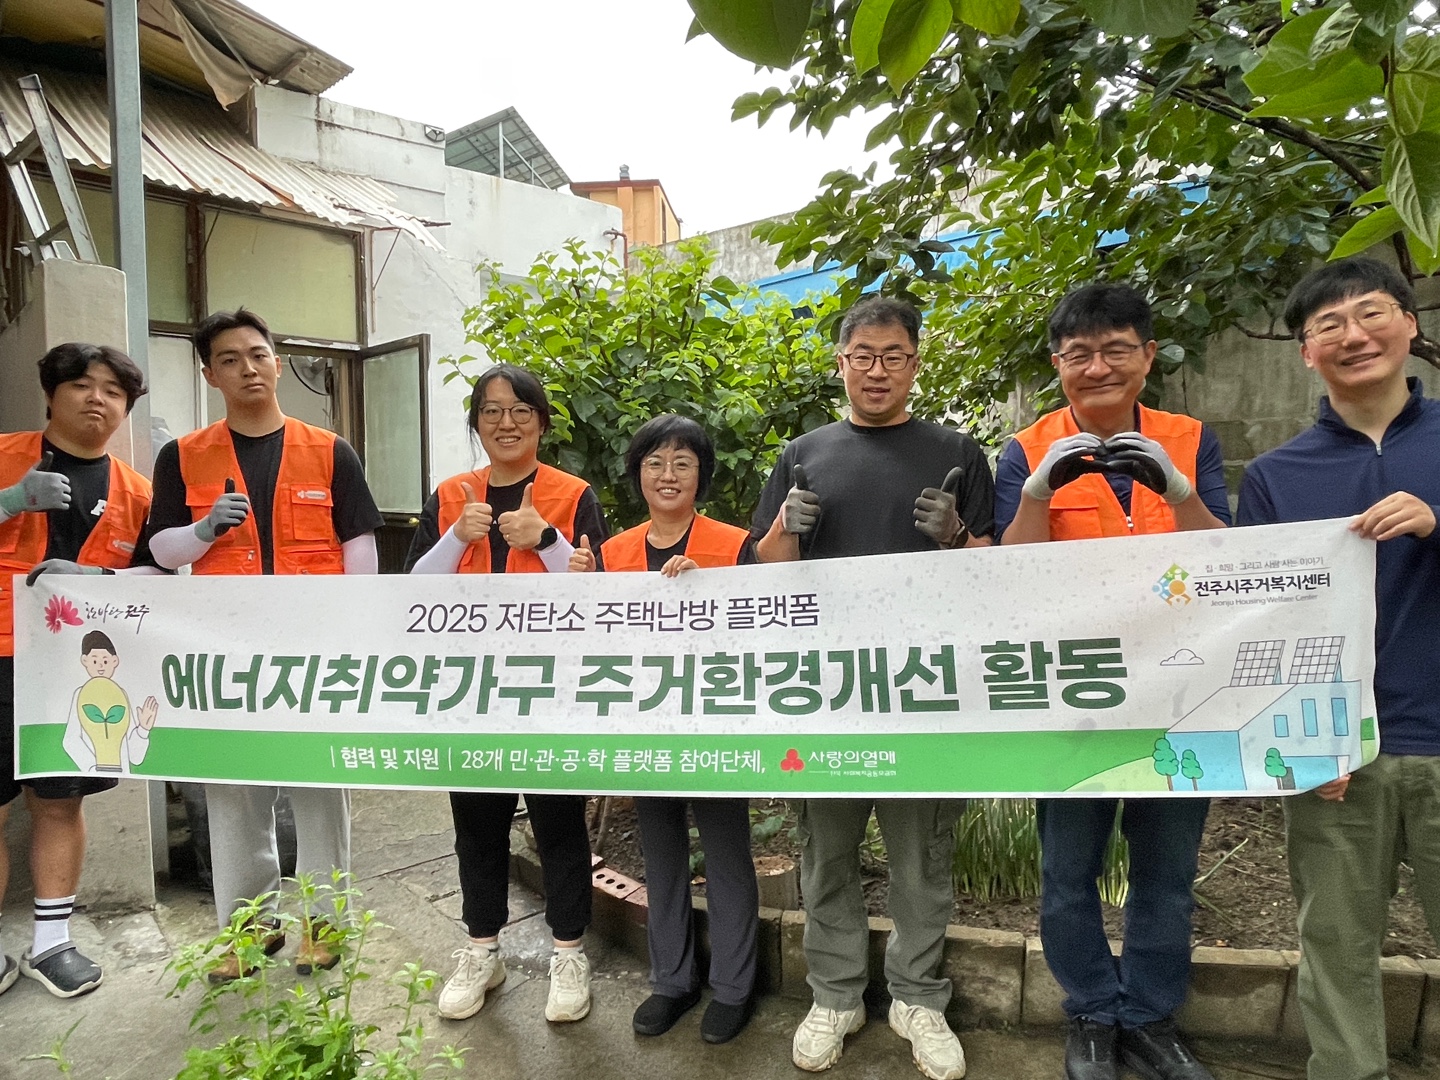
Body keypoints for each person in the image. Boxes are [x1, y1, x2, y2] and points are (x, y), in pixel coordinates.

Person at [751, 295, 994, 1080]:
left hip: (925, 689)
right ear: (841, 363)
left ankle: (918, 997)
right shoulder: (802, 454)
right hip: (826, 690)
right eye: (864, 356)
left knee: (923, 855)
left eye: (894, 356)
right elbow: (763, 575)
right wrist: (785, 528)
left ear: (915, 364)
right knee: (826, 853)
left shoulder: (958, 451)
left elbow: (998, 577)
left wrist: (957, 535)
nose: (878, 370)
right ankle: (836, 995)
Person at [995, 282, 1229, 1080]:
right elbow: (1011, 572)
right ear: (1057, 363)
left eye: (1115, 350)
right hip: (1076, 696)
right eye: (1079, 354)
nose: (1097, 367)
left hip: (1180, 693)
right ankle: (1092, 1012)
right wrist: (1037, 491)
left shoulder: (1189, 440)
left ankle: (1151, 1017)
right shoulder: (1027, 448)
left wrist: (1178, 488)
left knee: (1168, 871)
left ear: (1148, 356)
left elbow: (1227, 558)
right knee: (1068, 872)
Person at [1237, 257, 1440, 1080]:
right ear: (1306, 353)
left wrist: (1437, 522)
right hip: (1340, 757)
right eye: (1329, 324)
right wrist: (1300, 742)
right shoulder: (1276, 477)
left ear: (1410, 326)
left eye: (1372, 313)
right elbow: (1264, 626)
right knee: (1335, 945)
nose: (1354, 335)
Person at [145, 309, 383, 981]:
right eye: (230, 358)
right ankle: (249, 931)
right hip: (225, 652)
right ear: (209, 374)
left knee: (319, 787)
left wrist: (356, 635)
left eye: (257, 354)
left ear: (277, 363)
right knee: (234, 793)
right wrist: (202, 532)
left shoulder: (330, 450)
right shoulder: (182, 456)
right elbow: (161, 551)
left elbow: (359, 545)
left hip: (314, 652)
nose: (247, 368)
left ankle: (322, 923)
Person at [405, 363, 608, 1024]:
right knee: (477, 825)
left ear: (542, 423)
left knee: (559, 824)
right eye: (491, 411)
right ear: (476, 423)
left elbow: (604, 595)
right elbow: (409, 591)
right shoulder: (449, 497)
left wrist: (545, 540)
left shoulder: (572, 495)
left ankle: (568, 953)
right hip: (471, 690)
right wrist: (454, 537)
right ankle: (481, 950)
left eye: (521, 410)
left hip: (552, 688)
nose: (506, 422)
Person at [570, 414, 760, 1043]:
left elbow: (765, 630)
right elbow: (595, 641)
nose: (668, 474)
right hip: (644, 726)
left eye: (683, 462)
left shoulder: (734, 545)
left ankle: (733, 988)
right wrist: (582, 590)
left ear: (702, 474)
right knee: (660, 854)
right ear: (638, 474)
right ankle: (672, 981)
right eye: (654, 462)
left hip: (717, 725)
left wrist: (708, 592)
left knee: (728, 855)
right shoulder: (612, 554)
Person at [0, 342, 156, 999]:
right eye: (82, 385)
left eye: (114, 391)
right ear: (51, 393)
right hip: (2, 654)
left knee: (59, 801)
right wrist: (10, 500)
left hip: (76, 669)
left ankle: (51, 942)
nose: (98, 399)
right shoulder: (5, 455)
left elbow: (155, 574)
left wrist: (94, 575)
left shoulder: (137, 491)